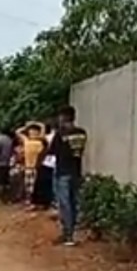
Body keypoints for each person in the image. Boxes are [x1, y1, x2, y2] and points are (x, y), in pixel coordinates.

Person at [51, 105, 88, 246]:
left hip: (62, 172)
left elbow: (53, 151)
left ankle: (68, 235)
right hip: (76, 171)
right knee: (74, 203)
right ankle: (72, 233)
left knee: (65, 204)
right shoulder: (82, 133)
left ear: (63, 117)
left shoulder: (61, 134)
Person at [16, 122, 45, 206]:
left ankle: (33, 202)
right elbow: (18, 132)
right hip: (28, 167)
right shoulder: (27, 140)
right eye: (31, 131)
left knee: (34, 186)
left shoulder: (40, 141)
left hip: (36, 167)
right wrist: (27, 126)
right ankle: (29, 201)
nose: (32, 133)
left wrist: (36, 124)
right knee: (28, 185)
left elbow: (43, 128)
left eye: (35, 131)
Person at [31, 124, 55, 209]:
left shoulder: (49, 137)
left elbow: (41, 138)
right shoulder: (56, 136)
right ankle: (46, 202)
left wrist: (40, 125)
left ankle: (43, 202)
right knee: (47, 183)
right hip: (51, 163)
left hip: (47, 163)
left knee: (42, 183)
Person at [0, 129, 14, 201]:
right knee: (5, 180)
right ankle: (6, 196)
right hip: (7, 162)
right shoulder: (9, 140)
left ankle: (0, 197)